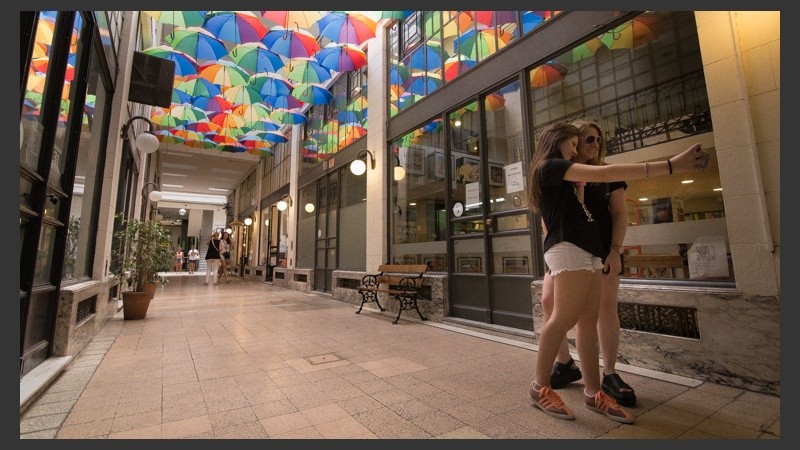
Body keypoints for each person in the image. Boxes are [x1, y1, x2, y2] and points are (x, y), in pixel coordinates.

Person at [527, 122, 709, 423]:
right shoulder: (550, 167)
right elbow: (604, 173)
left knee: (588, 320)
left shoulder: (566, 175)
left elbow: (598, 200)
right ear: (557, 141)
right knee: (562, 318)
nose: (576, 149)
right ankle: (539, 387)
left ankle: (593, 391)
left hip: (589, 250)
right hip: (568, 248)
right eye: (573, 143)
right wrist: (671, 165)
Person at [540, 120, 635, 407]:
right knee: (549, 302)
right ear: (573, 141)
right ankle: (565, 364)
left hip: (602, 251)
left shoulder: (606, 174)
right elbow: (549, 216)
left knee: (602, 310)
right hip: (566, 249)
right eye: (588, 139)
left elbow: (619, 214)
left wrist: (615, 251)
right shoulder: (561, 171)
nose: (594, 145)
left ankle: (609, 374)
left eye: (598, 139)